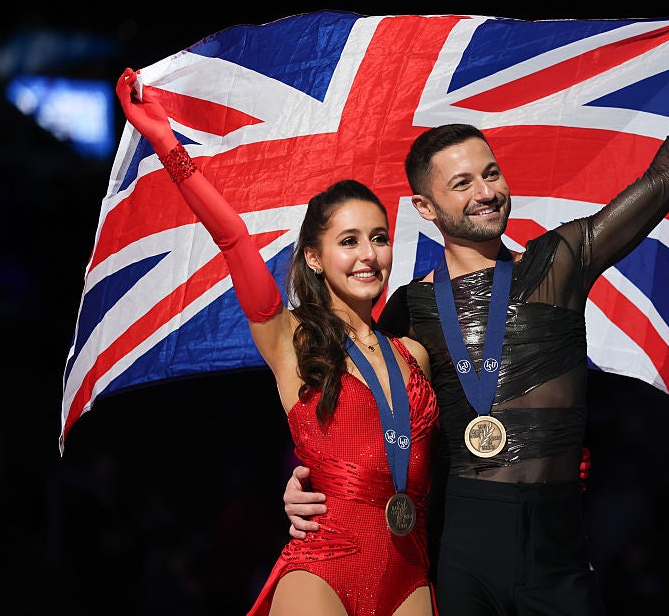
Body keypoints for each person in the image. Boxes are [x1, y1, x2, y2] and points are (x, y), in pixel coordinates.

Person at [284, 15, 669, 614]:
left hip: (558, 541)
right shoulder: (408, 308)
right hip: (460, 538)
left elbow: (665, 180)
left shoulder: (559, 261)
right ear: (426, 208)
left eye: (491, 173)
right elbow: (354, 413)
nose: (486, 190)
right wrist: (303, 483)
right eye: (462, 183)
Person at [115, 68, 439, 616]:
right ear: (314, 257)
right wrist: (166, 142)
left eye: (379, 238)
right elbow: (232, 236)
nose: (369, 254)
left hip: (409, 565)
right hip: (324, 566)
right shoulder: (290, 337)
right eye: (349, 240)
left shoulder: (417, 355)